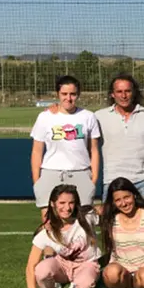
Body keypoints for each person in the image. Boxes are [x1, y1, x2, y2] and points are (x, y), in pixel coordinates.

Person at [25, 184, 101, 288]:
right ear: (53, 204)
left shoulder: (87, 217)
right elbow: (30, 267)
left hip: (87, 264)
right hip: (62, 265)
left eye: (71, 202)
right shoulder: (47, 231)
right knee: (41, 270)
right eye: (62, 203)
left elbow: (108, 213)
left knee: (85, 284)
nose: (67, 208)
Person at [31, 76, 100, 219]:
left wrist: (93, 179)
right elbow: (37, 151)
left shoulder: (88, 116)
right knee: (50, 222)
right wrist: (37, 181)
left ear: (78, 95)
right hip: (51, 173)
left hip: (81, 172)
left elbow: (93, 150)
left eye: (73, 94)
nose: (68, 98)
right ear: (58, 94)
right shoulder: (45, 117)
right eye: (64, 94)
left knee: (84, 221)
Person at [96, 74, 144, 199]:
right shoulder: (99, 116)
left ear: (133, 92)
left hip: (143, 181)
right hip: (113, 182)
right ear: (112, 94)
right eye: (119, 92)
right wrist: (57, 108)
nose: (124, 96)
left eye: (127, 91)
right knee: (111, 219)